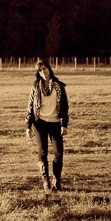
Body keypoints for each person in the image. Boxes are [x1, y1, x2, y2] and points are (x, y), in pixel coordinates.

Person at [25, 57, 69, 193]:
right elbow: (30, 107)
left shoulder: (59, 86)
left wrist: (64, 124)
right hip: (40, 123)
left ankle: (57, 180)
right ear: (38, 73)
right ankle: (46, 181)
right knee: (42, 152)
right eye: (40, 70)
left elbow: (65, 107)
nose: (43, 71)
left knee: (58, 153)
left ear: (49, 69)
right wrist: (28, 126)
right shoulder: (35, 87)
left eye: (44, 68)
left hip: (55, 123)